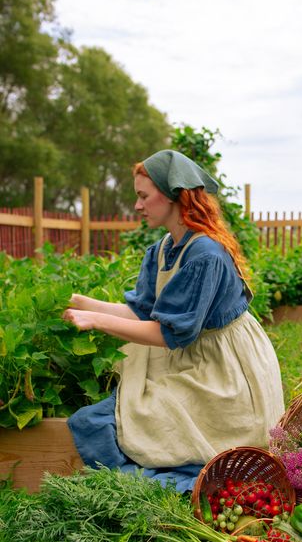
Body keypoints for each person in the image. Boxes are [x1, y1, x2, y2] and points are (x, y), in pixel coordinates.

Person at [63, 149, 285, 492]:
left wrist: (95, 320)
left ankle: (156, 485)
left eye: (143, 196)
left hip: (225, 369)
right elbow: (143, 312)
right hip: (194, 353)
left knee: (140, 419)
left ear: (173, 196)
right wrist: (80, 303)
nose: (137, 206)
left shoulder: (205, 254)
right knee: (132, 415)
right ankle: (143, 478)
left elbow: (169, 334)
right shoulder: (166, 247)